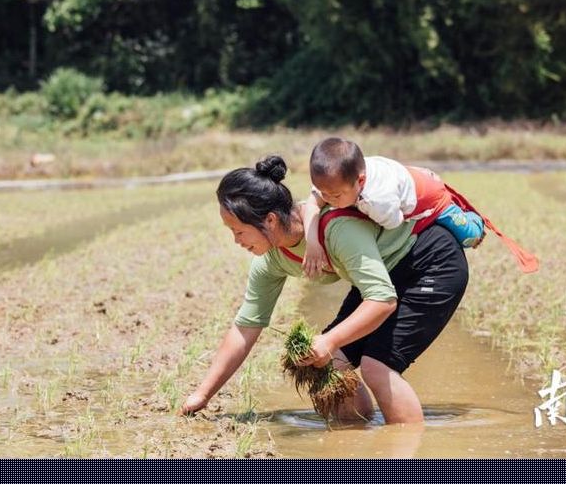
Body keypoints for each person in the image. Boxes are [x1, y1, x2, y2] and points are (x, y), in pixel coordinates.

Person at [179, 155, 469, 424]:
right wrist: (202, 395)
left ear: (269, 219)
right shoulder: (271, 259)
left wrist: (328, 340)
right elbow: (245, 329)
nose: (236, 241)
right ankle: (359, 437)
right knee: (327, 364)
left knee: (377, 367)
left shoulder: (337, 229)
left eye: (239, 231)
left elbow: (381, 301)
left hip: (430, 262)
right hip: (386, 272)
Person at [301, 138, 538, 279]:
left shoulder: (378, 201)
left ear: (360, 181)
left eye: (336, 195)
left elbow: (393, 224)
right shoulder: (333, 179)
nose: (329, 199)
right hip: (401, 176)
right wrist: (313, 243)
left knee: (469, 236)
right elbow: (311, 203)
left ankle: (473, 221)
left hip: (428, 196)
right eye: (325, 193)